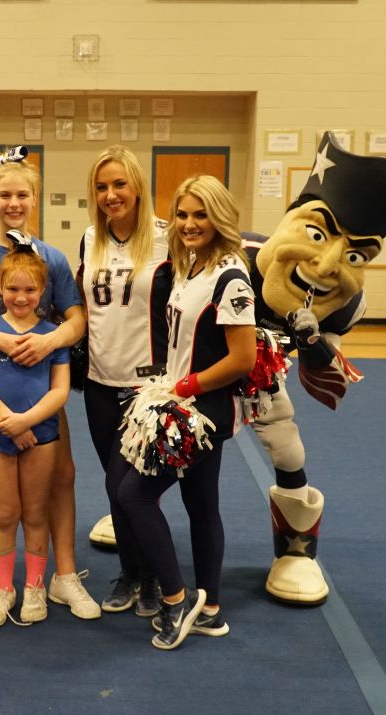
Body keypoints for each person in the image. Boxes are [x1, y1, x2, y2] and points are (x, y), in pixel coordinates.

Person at [249, 132, 386, 605]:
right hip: (200, 371)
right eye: (316, 233)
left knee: (287, 443)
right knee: (162, 436)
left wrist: (311, 344)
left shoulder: (346, 303)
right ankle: (134, 518)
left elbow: (324, 383)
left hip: (262, 377)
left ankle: (296, 553)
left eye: (354, 256)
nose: (327, 264)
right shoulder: (232, 258)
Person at [0, 149, 100, 620]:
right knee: (2, 490)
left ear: (35, 199)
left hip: (44, 389)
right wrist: (3, 343)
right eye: (5, 194)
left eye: (22, 195)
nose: (14, 202)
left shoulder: (50, 258)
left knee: (61, 476)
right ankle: (1, 568)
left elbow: (75, 319)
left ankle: (62, 575)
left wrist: (50, 345)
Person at [117, 175, 257, 650]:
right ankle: (211, 609)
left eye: (201, 214)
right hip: (180, 399)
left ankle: (177, 599)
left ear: (219, 218)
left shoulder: (231, 277)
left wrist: (186, 386)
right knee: (201, 505)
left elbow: (243, 359)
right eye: (183, 214)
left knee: (133, 495)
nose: (190, 223)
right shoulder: (190, 266)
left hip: (201, 411)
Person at [76, 145, 172, 617]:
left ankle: (150, 576)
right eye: (101, 186)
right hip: (98, 381)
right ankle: (132, 574)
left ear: (136, 186)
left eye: (119, 184)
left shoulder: (166, 239)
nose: (110, 194)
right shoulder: (89, 237)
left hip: (148, 387)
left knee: (129, 487)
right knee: (112, 485)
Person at [0, 244, 71, 625]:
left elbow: (60, 392)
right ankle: (4, 589)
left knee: (37, 513)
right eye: (13, 290)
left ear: (42, 291)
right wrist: (7, 421)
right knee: (5, 512)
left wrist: (26, 421)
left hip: (41, 435)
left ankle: (34, 588)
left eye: (30, 290)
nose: (21, 297)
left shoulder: (51, 336)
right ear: (1, 288)